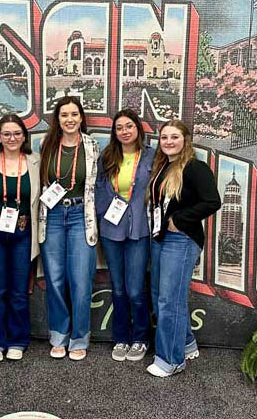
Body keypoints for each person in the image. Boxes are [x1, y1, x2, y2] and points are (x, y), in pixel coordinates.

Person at [146, 120, 221, 377]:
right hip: (160, 238)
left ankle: (171, 359)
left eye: (174, 137)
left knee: (169, 300)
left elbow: (213, 201)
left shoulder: (195, 167)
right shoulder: (164, 167)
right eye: (164, 137)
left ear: (185, 139)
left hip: (182, 240)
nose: (168, 141)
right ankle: (187, 344)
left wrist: (181, 219)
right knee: (163, 296)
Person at [38, 96, 100, 361]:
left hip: (79, 216)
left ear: (82, 117)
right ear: (58, 119)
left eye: (74, 114)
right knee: (54, 279)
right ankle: (59, 335)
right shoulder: (46, 144)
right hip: (51, 215)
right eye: (64, 115)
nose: (70, 119)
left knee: (81, 280)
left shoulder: (92, 146)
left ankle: (79, 337)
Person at [95, 109, 154, 362]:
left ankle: (140, 338)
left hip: (139, 230)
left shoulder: (153, 155)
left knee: (135, 289)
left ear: (138, 129)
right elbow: (98, 190)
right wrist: (101, 218)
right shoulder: (107, 156)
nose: (124, 132)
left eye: (129, 126)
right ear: (114, 132)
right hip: (112, 230)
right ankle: (120, 337)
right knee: (117, 288)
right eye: (119, 128)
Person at [0, 114, 40, 363]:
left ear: (24, 136)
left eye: (17, 133)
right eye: (6, 134)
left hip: (23, 233)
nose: (12, 138)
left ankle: (17, 339)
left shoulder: (35, 161)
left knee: (18, 290)